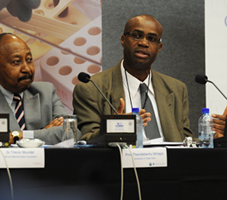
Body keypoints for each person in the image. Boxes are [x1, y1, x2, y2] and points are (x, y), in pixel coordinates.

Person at [73, 14, 193, 142]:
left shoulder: (176, 89)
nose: (143, 43)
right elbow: (87, 140)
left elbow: (186, 141)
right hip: (120, 161)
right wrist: (114, 127)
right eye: (136, 36)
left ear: (159, 48)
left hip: (170, 161)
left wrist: (216, 140)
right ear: (123, 39)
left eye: (151, 39)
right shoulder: (91, 88)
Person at [0, 33, 74, 145]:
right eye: (16, 62)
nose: (27, 69)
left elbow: (72, 132)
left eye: (29, 60)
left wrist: (16, 136)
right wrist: (45, 132)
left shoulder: (46, 92)